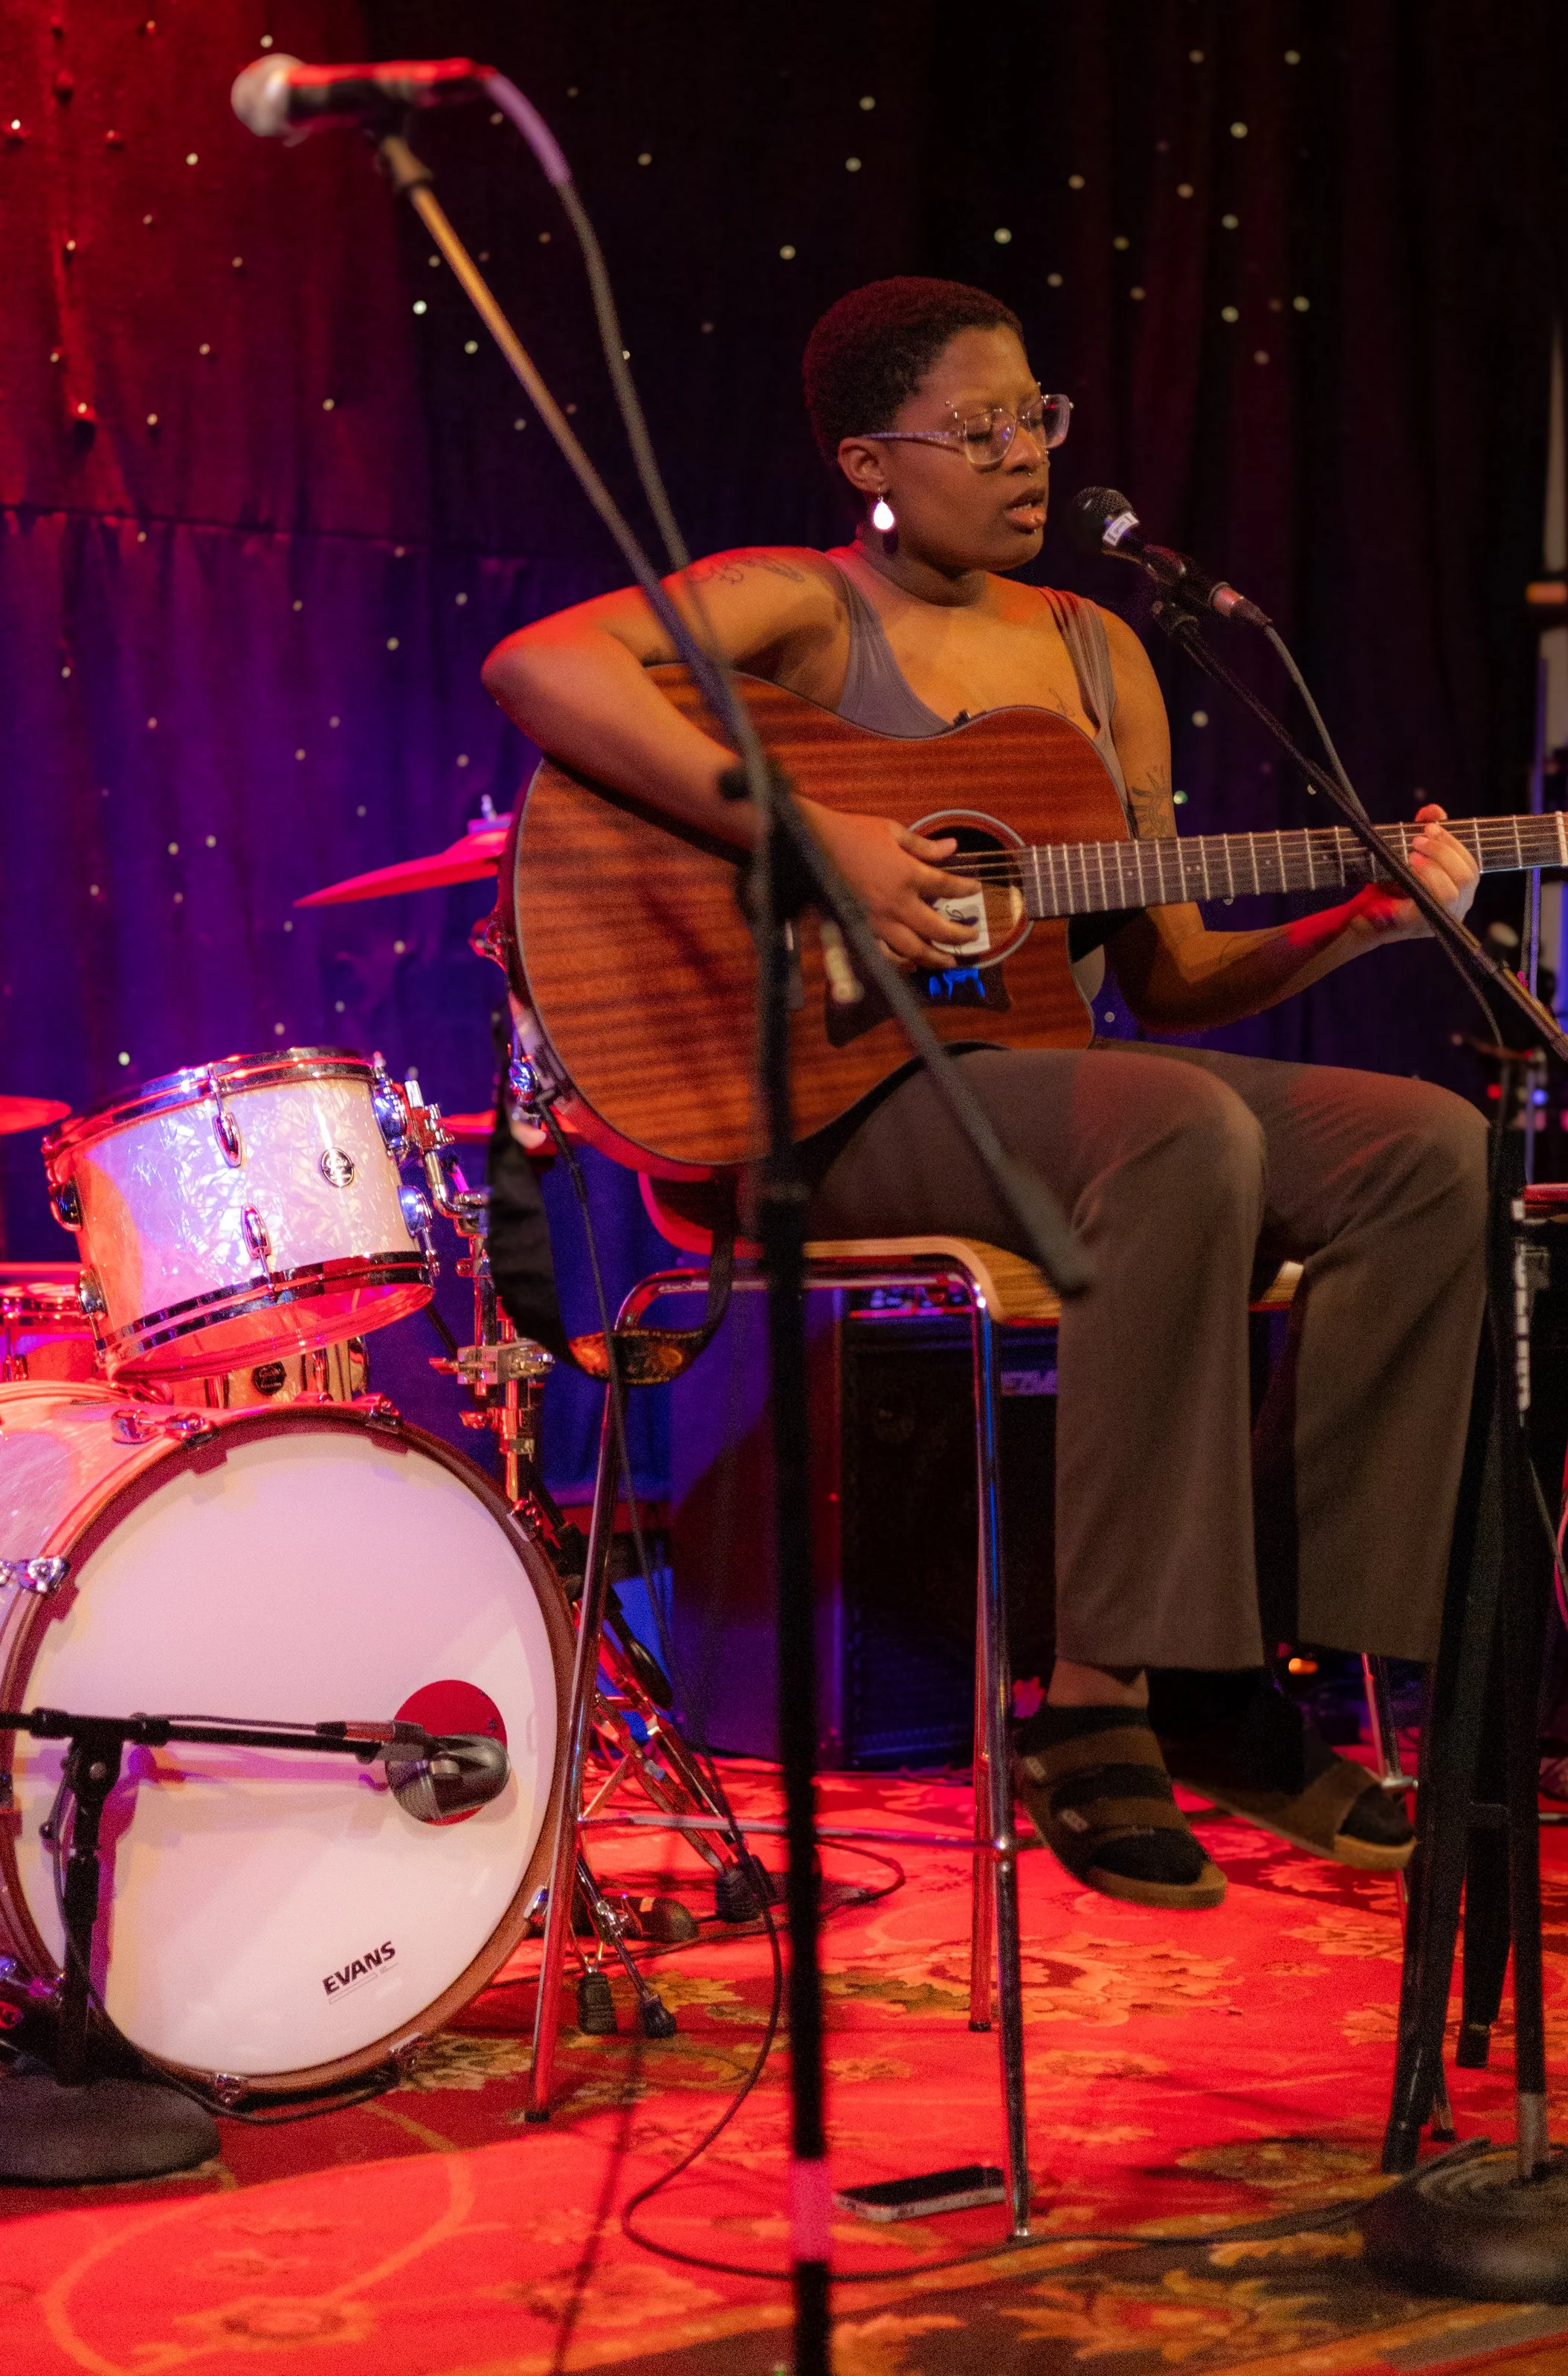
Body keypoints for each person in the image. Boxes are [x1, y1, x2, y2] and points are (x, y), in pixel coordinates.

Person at [483, 275, 1488, 1913]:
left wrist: (1358, 919)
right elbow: (540, 665)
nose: (1026, 456)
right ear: (871, 461)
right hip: (825, 1112)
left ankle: (1246, 1663)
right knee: (1174, 1126)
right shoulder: (802, 603)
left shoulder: (1100, 655)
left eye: (1037, 416)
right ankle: (1095, 1701)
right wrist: (821, 836)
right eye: (982, 428)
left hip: (1045, 1093)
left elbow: (1172, 978)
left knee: (1429, 1149)